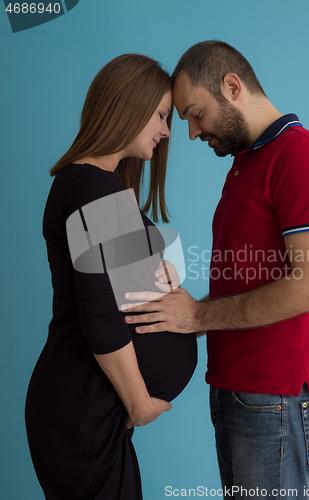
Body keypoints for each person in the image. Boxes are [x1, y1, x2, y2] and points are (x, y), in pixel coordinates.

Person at [121, 41, 309, 499]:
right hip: (243, 389)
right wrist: (182, 311)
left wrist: (197, 318)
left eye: (195, 113)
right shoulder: (246, 164)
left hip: (277, 395)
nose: (191, 132)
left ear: (232, 86)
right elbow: (251, 279)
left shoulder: (299, 155)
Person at [25, 54, 197, 500]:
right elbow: (100, 315)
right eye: (161, 115)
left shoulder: (99, 185)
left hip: (91, 411)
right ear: (127, 104)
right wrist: (139, 402)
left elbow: (117, 290)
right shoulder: (89, 186)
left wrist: (163, 272)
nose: (166, 130)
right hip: (84, 410)